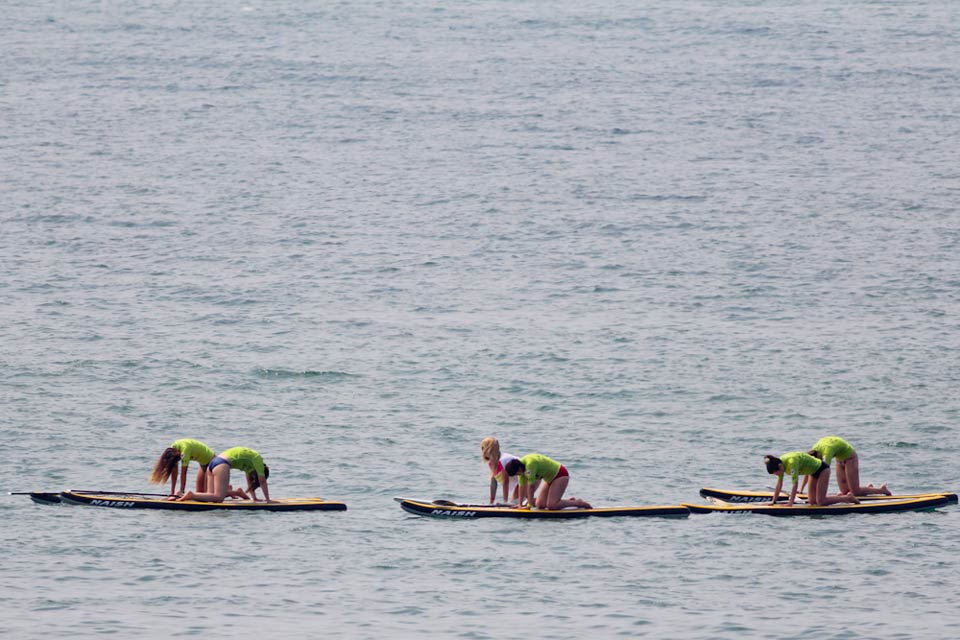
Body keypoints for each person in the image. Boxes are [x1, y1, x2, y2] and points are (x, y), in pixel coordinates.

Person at [802, 436, 891, 497]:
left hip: (850, 458)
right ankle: (869, 489)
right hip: (839, 459)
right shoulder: (814, 449)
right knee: (845, 492)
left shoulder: (827, 452)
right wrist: (801, 489)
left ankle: (882, 490)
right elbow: (810, 470)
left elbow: (824, 474)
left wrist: (821, 495)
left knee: (855, 491)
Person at [178, 447, 271, 503]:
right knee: (219, 498)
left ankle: (186, 495)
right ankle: (192, 495)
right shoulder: (258, 460)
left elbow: (249, 482)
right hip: (222, 464)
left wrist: (254, 498)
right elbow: (262, 481)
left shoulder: (250, 465)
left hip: (213, 463)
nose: (253, 478)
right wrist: (268, 500)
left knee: (211, 496)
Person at [764, 452, 859, 507]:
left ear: (780, 466)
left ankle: (848, 498)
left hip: (822, 469)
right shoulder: (779, 464)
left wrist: (790, 503)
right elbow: (779, 484)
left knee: (821, 502)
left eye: (776, 473)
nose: (777, 475)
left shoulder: (791, 463)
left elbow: (795, 485)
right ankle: (843, 497)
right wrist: (773, 501)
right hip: (813, 472)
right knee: (812, 501)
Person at [504, 453, 592, 510]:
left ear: (519, 468)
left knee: (552, 506)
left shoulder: (529, 465)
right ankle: (567, 501)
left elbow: (531, 488)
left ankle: (578, 502)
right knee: (540, 504)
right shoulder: (521, 467)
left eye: (517, 473)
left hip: (560, 475)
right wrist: (520, 505)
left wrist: (529, 506)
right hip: (549, 479)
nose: (518, 475)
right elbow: (521, 487)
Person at [149, 438, 216, 497]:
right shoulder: (173, 449)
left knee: (207, 494)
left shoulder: (185, 451)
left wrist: (181, 492)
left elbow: (183, 474)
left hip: (212, 462)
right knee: (200, 492)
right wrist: (172, 493)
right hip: (203, 463)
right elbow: (174, 474)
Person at [480, 437, 521, 504]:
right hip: (519, 482)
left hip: (527, 475)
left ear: (488, 449)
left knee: (515, 502)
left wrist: (505, 502)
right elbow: (493, 483)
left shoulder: (503, 460)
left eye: (483, 448)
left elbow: (505, 483)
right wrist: (491, 502)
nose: (482, 451)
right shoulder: (491, 463)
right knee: (515, 502)